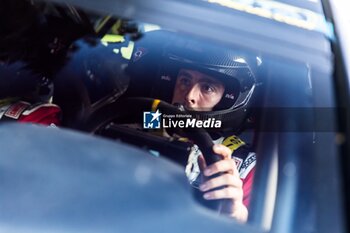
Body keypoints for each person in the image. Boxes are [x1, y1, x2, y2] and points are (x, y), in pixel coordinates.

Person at [126, 30, 258, 222]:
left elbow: (259, 224)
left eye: (207, 87)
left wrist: (234, 213)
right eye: (185, 80)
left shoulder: (243, 166)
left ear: (226, 99)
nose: (189, 96)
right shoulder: (132, 121)